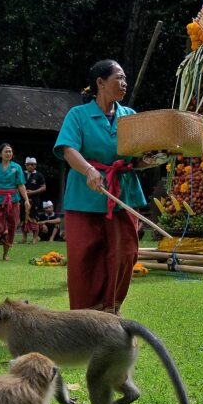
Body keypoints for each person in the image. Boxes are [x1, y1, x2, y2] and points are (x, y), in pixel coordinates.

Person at [54, 59, 157, 313]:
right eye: (118, 78)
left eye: (125, 79)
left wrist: (153, 158)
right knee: (85, 257)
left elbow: (136, 160)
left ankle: (111, 310)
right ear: (100, 83)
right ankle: (85, 317)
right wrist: (89, 170)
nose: (124, 83)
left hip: (124, 193)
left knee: (125, 253)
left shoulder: (129, 116)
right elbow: (68, 149)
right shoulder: (78, 115)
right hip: (85, 196)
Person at [20, 157, 46, 244]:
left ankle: (35, 238)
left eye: (32, 164)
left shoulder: (39, 175)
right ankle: (24, 238)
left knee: (34, 217)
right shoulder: (21, 174)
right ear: (25, 165)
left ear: (35, 165)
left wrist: (33, 192)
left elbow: (43, 187)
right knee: (22, 217)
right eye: (28, 164)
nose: (30, 166)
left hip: (34, 200)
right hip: (22, 199)